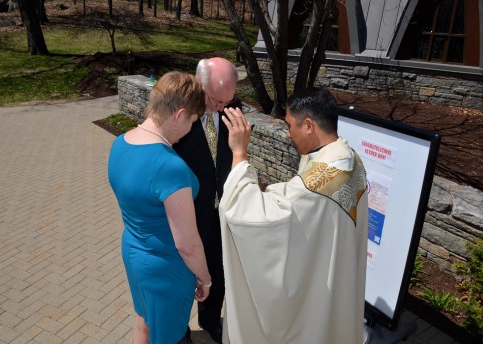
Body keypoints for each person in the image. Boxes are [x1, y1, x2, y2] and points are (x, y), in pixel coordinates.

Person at [219, 87, 369, 343]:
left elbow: (247, 212)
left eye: (290, 125)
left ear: (309, 125)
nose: (288, 134)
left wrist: (239, 154)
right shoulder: (350, 158)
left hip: (316, 297)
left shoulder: (316, 186)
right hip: (336, 283)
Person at [108, 71, 212, 344]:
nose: (191, 128)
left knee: (143, 321)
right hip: (165, 267)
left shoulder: (120, 144)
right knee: (170, 337)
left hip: (134, 253)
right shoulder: (169, 166)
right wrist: (205, 278)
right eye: (192, 121)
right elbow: (187, 244)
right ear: (179, 115)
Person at [174, 57, 241, 344]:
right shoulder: (178, 110)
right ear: (199, 85)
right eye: (215, 99)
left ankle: (211, 320)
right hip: (186, 209)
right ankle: (179, 328)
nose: (221, 107)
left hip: (220, 209)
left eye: (227, 100)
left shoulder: (232, 107)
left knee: (218, 270)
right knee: (182, 274)